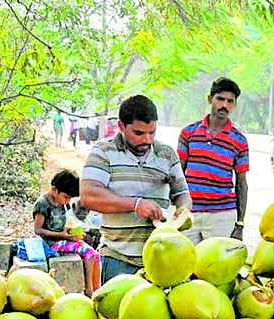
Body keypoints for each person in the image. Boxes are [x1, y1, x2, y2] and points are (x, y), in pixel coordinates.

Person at [79, 95, 191, 283]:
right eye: (139, 133)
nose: (147, 139)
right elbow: (88, 195)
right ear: (121, 126)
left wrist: (183, 210)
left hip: (162, 263)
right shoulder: (103, 151)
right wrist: (135, 204)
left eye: (152, 132)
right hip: (118, 260)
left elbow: (182, 194)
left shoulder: (166, 154)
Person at [178, 77, 250, 243]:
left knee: (215, 266)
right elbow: (177, 174)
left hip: (222, 216)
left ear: (234, 105)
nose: (224, 105)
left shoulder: (239, 140)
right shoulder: (188, 133)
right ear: (210, 99)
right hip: (189, 211)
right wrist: (174, 208)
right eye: (220, 99)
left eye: (230, 101)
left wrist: (239, 224)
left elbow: (241, 184)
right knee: (184, 264)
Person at [33, 170, 101, 295]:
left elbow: (69, 221)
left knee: (96, 255)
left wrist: (76, 233)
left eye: (69, 198)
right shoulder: (43, 204)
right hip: (51, 243)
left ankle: (98, 288)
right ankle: (89, 289)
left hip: (64, 239)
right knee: (89, 253)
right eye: (65, 197)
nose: (67, 201)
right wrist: (62, 235)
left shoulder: (63, 204)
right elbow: (38, 230)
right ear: (54, 190)